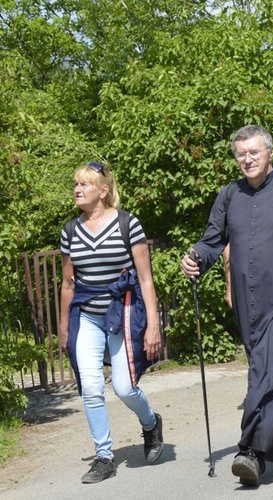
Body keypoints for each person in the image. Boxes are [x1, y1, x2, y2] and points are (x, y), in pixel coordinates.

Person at [180, 125, 273, 486]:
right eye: (241, 154)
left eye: (254, 152)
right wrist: (195, 259)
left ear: (270, 153)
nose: (247, 159)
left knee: (265, 378)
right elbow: (211, 242)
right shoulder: (228, 195)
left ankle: (252, 452)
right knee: (270, 375)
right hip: (249, 309)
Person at [58, 161, 164, 484]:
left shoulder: (127, 224)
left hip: (123, 314)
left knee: (123, 387)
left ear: (103, 191)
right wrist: (63, 326)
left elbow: (145, 280)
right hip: (87, 316)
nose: (77, 189)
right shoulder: (70, 231)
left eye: (85, 184)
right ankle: (104, 456)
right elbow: (67, 284)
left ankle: (150, 423)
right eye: (75, 184)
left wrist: (153, 325)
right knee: (90, 386)